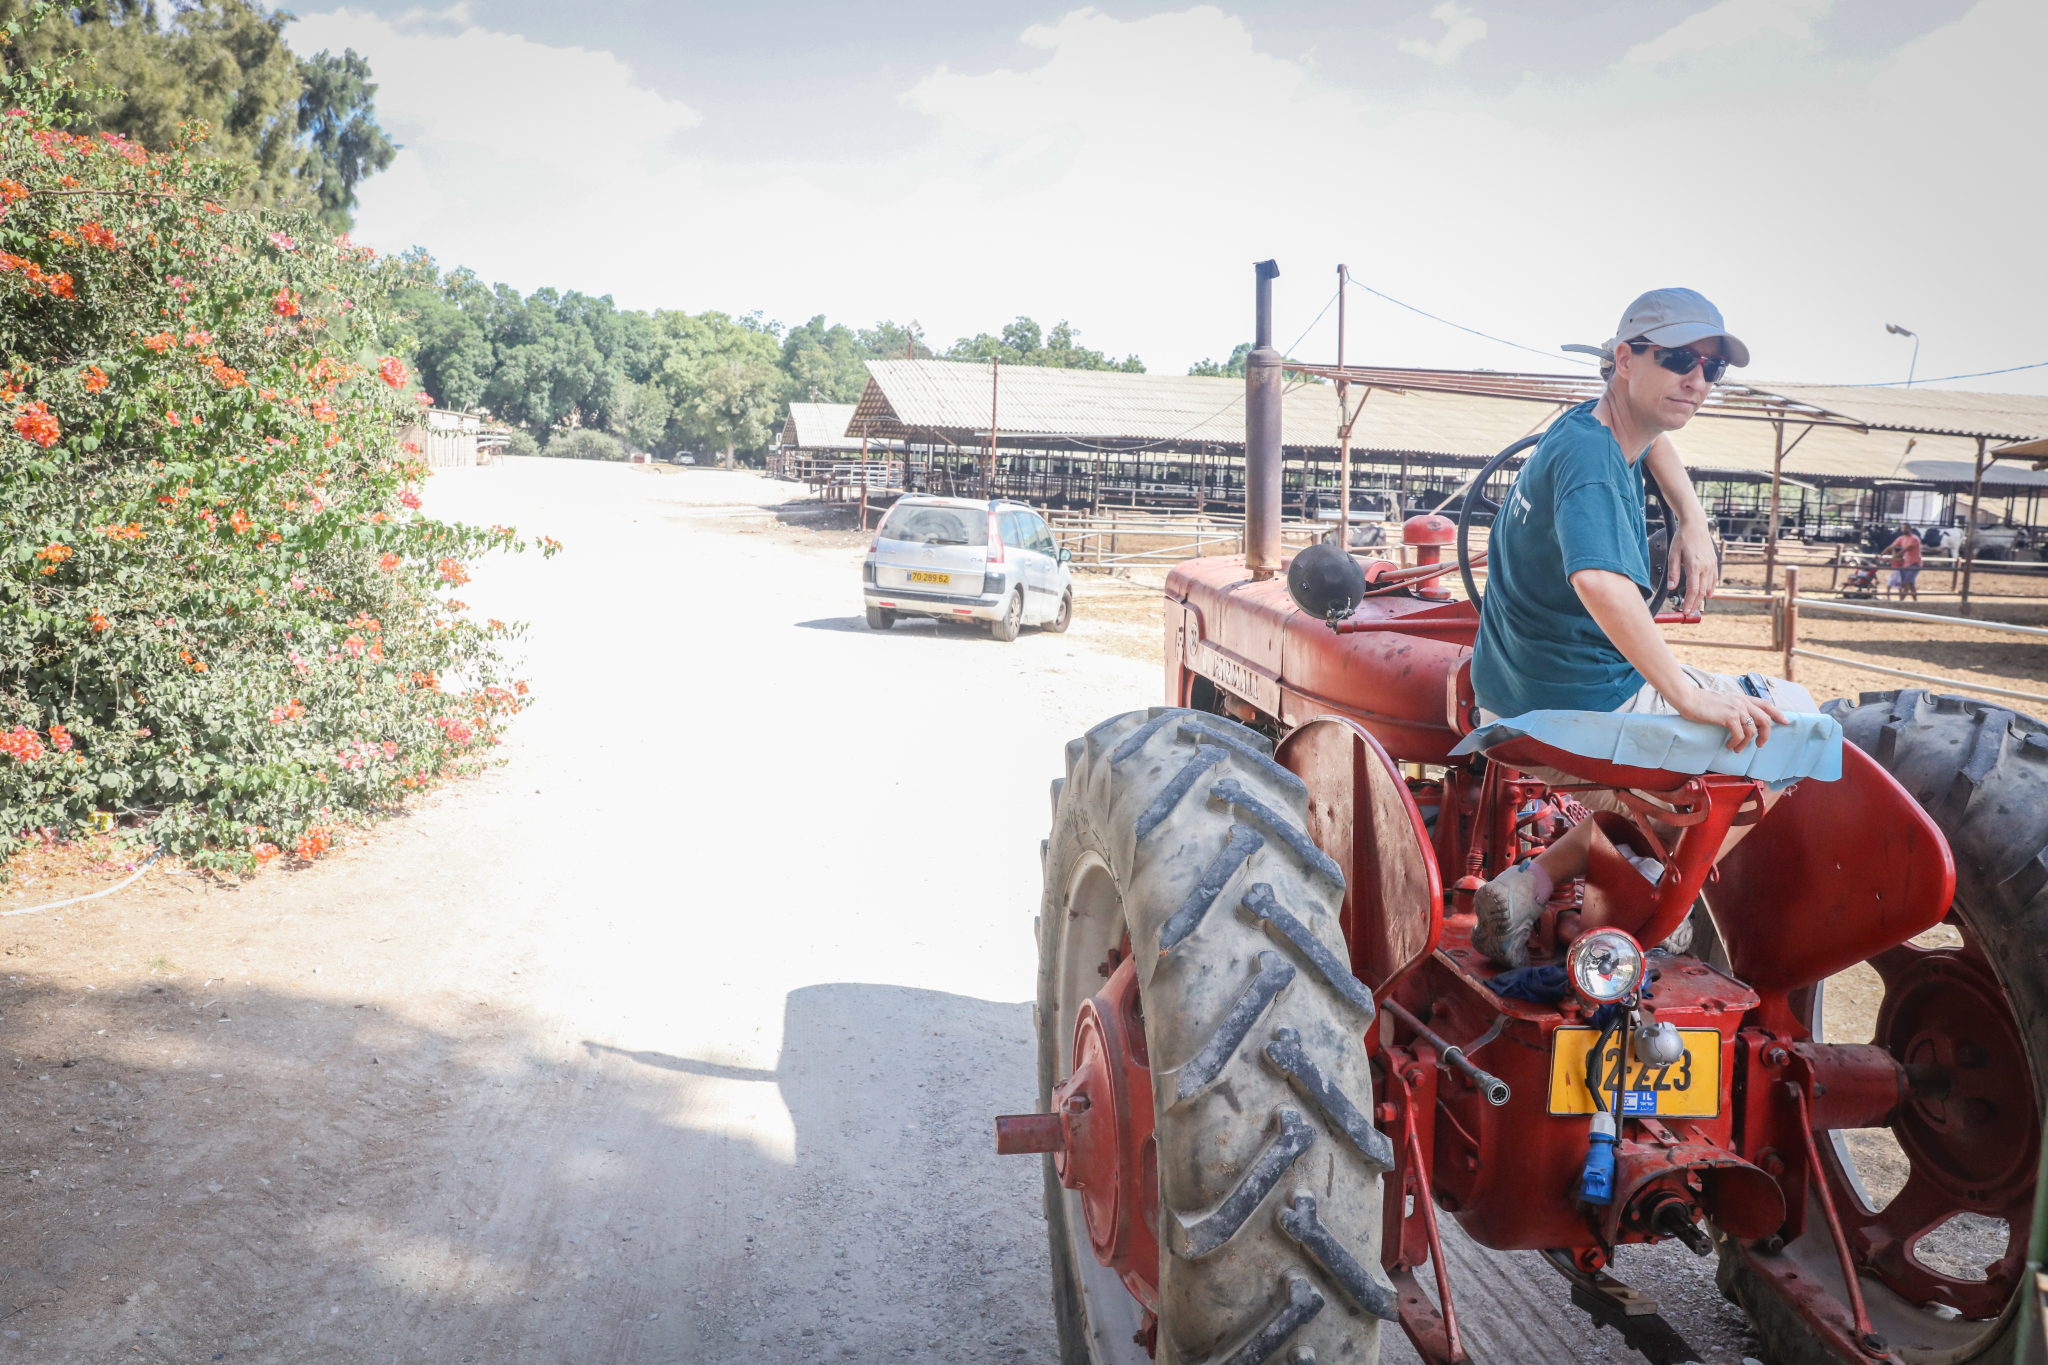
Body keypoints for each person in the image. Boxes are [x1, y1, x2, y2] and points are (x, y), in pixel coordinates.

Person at [1467, 288, 1813, 969]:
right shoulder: (1596, 467)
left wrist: (1693, 516)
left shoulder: (1585, 429)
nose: (1696, 380)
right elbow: (1599, 582)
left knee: (1686, 778)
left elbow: (1654, 444)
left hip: (1508, 696)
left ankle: (1530, 882)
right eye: (1679, 358)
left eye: (1711, 368)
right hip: (1582, 703)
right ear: (1624, 359)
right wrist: (1687, 694)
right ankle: (1654, 895)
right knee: (1796, 729)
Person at [1883, 525, 1922, 601]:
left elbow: (1905, 549)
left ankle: (1901, 601)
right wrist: (1881, 554)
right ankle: (1915, 601)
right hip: (1907, 564)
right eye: (1903, 528)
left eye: (1906, 528)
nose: (1904, 529)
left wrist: (1893, 557)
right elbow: (1891, 547)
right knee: (1911, 584)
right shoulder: (1901, 538)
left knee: (1906, 582)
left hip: (1915, 563)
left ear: (1910, 529)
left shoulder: (1914, 539)